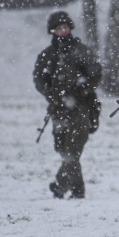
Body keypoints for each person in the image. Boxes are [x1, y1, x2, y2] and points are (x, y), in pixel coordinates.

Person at [33, 11, 102, 199]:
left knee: (73, 149)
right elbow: (39, 80)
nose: (62, 31)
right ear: (52, 31)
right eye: (58, 28)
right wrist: (55, 96)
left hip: (81, 108)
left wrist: (80, 90)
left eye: (65, 27)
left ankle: (61, 184)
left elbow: (96, 74)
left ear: (70, 28)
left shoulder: (81, 51)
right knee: (62, 148)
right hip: (59, 110)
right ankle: (78, 189)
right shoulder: (48, 55)